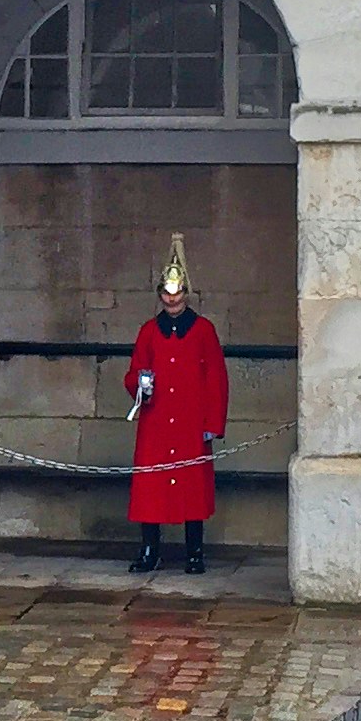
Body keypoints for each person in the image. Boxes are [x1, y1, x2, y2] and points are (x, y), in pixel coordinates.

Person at [123, 235, 228, 575]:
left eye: (177, 292)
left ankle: (194, 551)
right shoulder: (148, 332)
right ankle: (149, 549)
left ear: (185, 293)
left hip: (190, 422)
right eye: (167, 293)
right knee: (151, 487)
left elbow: (216, 379)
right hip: (156, 421)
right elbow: (134, 372)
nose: (172, 299)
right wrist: (141, 385)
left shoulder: (204, 330)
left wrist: (213, 423)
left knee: (191, 488)